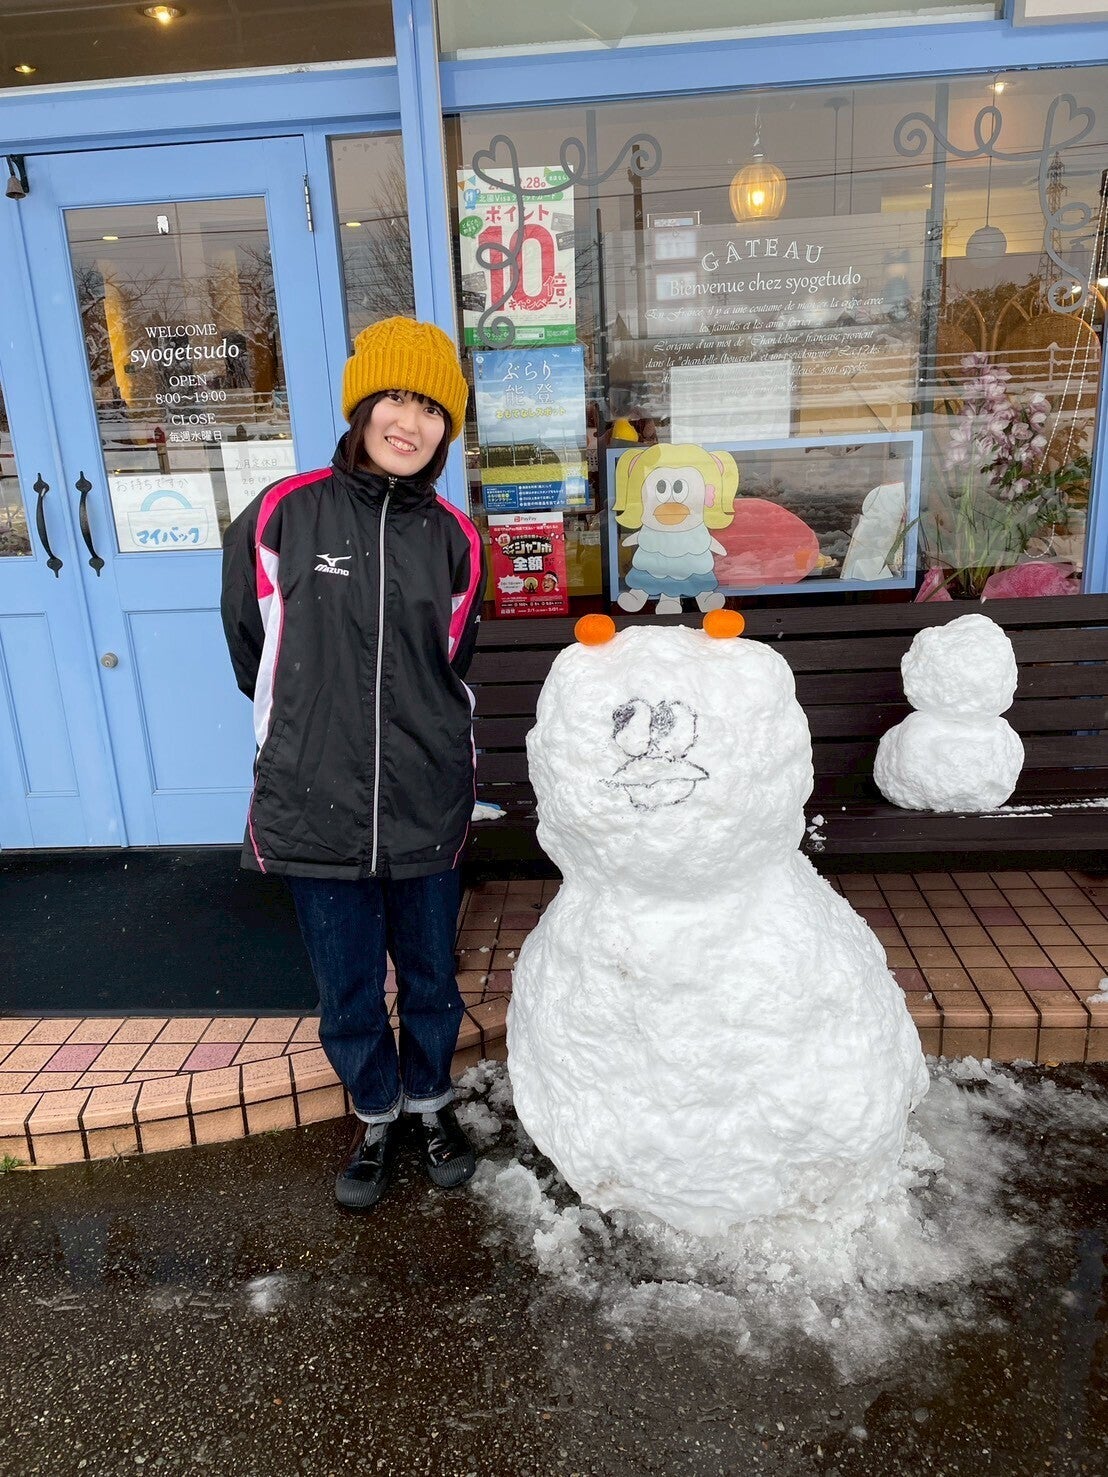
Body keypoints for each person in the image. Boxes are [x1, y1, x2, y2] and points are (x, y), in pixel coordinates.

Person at [220, 316, 485, 1212]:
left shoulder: (455, 536)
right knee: (346, 982)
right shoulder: (282, 514)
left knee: (431, 974)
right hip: (313, 792)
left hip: (424, 793)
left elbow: (451, 662)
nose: (410, 422)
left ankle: (431, 1101)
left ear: (448, 427)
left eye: (431, 408)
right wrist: (305, 729)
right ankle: (376, 1112)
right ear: (362, 406)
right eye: (395, 399)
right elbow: (251, 644)